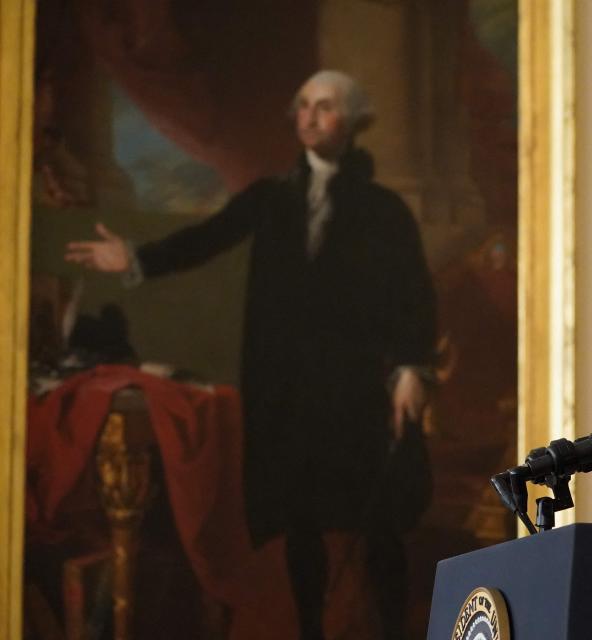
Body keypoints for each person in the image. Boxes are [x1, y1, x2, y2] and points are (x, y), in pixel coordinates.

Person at [66, 70, 437, 640]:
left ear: (354, 123)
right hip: (288, 394)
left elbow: (414, 294)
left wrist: (412, 368)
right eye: (304, 106)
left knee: (378, 524)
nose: (311, 117)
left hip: (356, 393)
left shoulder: (384, 211)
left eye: (327, 107)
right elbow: (206, 239)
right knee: (301, 522)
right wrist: (134, 259)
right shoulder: (271, 199)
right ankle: (310, 631)